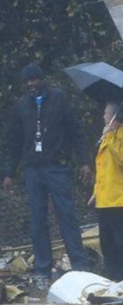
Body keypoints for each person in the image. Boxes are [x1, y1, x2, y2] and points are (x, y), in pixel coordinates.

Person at [3, 62, 93, 289]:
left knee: (67, 216)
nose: (31, 84)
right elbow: (14, 141)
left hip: (57, 167)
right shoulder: (21, 106)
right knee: (37, 219)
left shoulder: (59, 99)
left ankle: (79, 265)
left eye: (34, 80)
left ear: (42, 80)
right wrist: (10, 173)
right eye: (27, 81)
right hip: (33, 169)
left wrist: (84, 161)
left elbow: (76, 130)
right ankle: (43, 269)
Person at [89, 101, 123, 282]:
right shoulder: (109, 135)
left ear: (114, 116)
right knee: (108, 243)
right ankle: (113, 277)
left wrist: (111, 136)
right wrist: (96, 190)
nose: (103, 116)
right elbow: (103, 166)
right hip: (106, 198)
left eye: (106, 113)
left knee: (122, 241)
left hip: (120, 198)